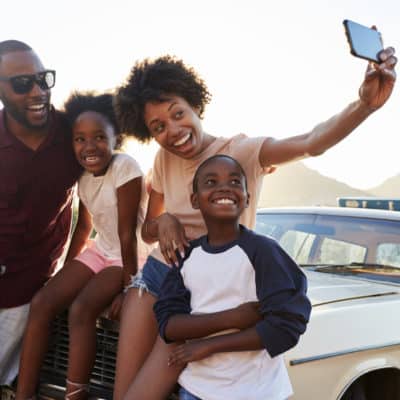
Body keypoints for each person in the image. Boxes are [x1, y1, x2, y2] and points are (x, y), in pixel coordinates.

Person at [113, 50, 397, 400]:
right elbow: (148, 228)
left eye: (178, 114)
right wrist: (166, 221)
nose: (173, 131)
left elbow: (312, 142)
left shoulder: (241, 151)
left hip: (204, 292)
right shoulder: (163, 158)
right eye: (158, 127)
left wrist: (364, 105)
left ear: (195, 105)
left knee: (145, 391)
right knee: (121, 389)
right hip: (156, 275)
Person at [15, 92, 149, 400]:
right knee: (43, 302)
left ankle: (75, 394)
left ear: (118, 137)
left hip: (128, 257)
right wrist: (66, 271)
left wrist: (129, 289)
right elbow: (85, 225)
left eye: (100, 137)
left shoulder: (125, 168)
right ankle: (23, 393)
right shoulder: (83, 176)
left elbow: (127, 234)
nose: (89, 146)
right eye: (80, 139)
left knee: (81, 310)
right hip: (101, 250)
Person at [154, 154, 311, 400]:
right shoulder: (186, 257)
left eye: (235, 182)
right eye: (211, 182)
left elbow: (286, 327)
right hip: (196, 390)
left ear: (247, 198)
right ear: (195, 200)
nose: (224, 187)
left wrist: (209, 345)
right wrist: (232, 318)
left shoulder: (264, 251)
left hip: (256, 392)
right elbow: (168, 324)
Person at [0, 40, 82, 393]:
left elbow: (94, 205)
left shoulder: (75, 136)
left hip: (25, 286)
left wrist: (70, 271)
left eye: (43, 79)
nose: (37, 91)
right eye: (22, 84)